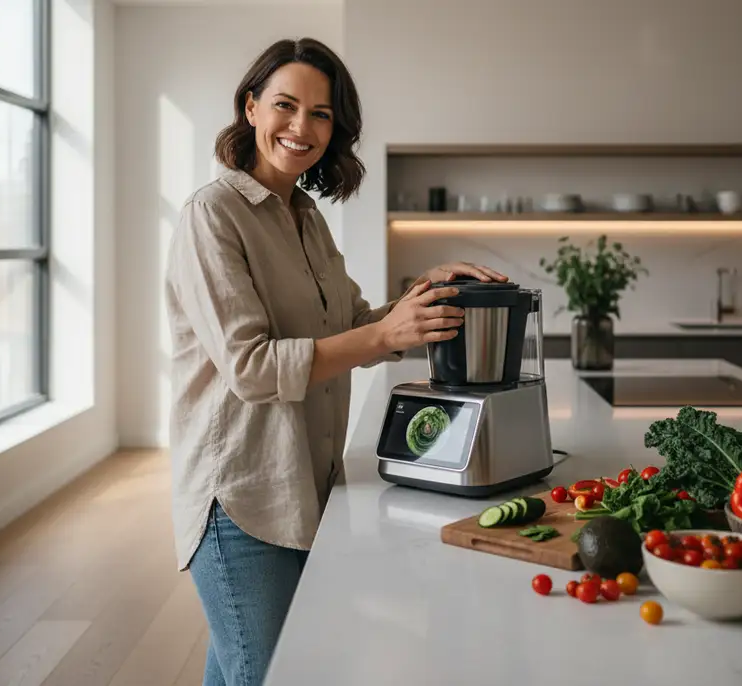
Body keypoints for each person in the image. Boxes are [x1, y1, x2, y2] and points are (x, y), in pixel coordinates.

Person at [163, 37, 507, 686]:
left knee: (246, 665)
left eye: (320, 114)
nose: (301, 127)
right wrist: (383, 337)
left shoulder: (305, 217)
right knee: (264, 672)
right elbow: (253, 369)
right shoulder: (212, 215)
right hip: (239, 495)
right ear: (251, 108)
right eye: (285, 106)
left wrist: (421, 296)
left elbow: (351, 325)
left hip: (301, 484)